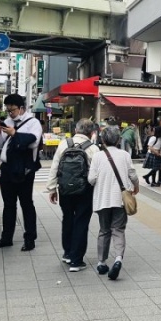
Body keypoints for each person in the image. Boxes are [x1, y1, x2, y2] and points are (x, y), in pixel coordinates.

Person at [46, 118, 99, 271]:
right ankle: (76, 260)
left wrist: (51, 188)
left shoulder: (64, 144)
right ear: (91, 133)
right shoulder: (93, 149)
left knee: (67, 218)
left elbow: (55, 166)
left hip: (65, 190)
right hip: (85, 190)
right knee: (81, 221)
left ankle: (68, 253)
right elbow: (96, 173)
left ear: (76, 130)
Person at [0, 94, 43, 251]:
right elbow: (0, 145)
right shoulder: (7, 122)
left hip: (24, 170)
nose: (10, 113)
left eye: (12, 110)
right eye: (8, 110)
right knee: (8, 205)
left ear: (21, 108)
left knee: (26, 204)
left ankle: (30, 239)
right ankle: (6, 238)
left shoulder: (33, 123)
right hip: (7, 169)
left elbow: (33, 142)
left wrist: (15, 133)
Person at [88, 125, 139, 280]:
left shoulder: (97, 156)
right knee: (118, 230)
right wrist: (136, 187)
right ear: (118, 140)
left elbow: (91, 179)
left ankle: (102, 262)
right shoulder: (124, 155)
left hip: (103, 199)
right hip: (120, 200)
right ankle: (117, 259)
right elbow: (133, 175)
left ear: (103, 140)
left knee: (104, 230)